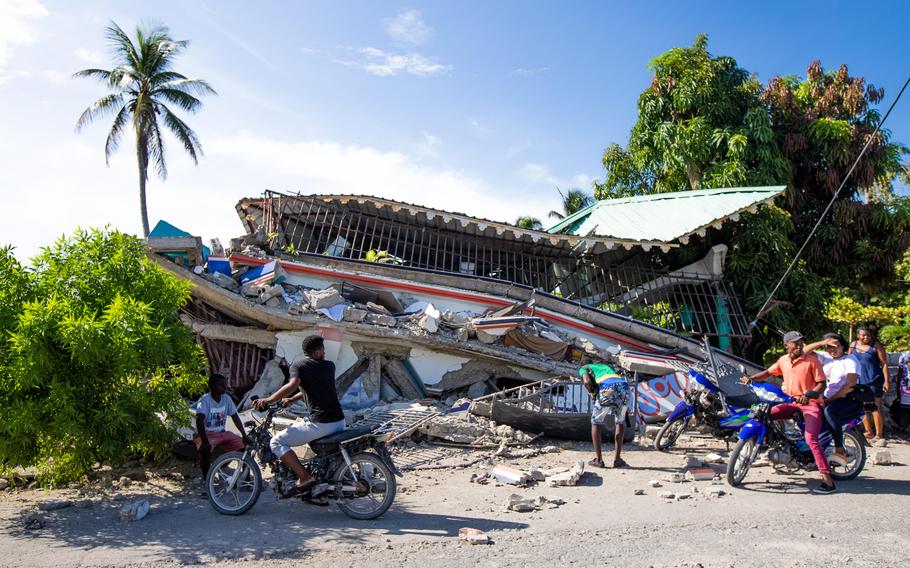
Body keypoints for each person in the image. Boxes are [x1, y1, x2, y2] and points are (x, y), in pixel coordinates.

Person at [253, 335, 345, 496]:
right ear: (316, 352)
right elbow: (314, 388)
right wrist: (291, 399)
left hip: (322, 423)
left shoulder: (299, 365)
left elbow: (293, 384)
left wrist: (268, 399)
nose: (324, 352)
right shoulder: (329, 366)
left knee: (276, 441)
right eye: (323, 349)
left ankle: (304, 478)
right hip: (338, 421)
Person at [744, 331, 834, 493]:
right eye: (795, 343)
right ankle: (778, 446)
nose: (799, 345)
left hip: (810, 404)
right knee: (764, 414)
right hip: (790, 401)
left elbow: (821, 384)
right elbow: (767, 374)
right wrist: (750, 379)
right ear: (787, 345)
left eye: (801, 342)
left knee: (810, 438)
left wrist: (808, 395)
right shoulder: (783, 361)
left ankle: (827, 480)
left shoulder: (812, 361)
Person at [804, 333, 862, 466]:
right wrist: (821, 343)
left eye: (835, 346)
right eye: (828, 347)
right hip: (828, 397)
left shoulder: (850, 360)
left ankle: (839, 449)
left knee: (829, 412)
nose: (832, 350)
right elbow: (803, 351)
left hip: (847, 398)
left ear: (842, 346)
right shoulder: (826, 358)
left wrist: (828, 400)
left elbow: (850, 385)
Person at [194, 374, 249, 487]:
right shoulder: (204, 400)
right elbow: (199, 421)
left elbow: (235, 417)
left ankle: (246, 480)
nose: (225, 387)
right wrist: (204, 441)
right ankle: (207, 480)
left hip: (222, 433)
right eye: (221, 385)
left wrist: (244, 435)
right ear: (212, 386)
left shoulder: (226, 399)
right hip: (206, 434)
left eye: (225, 384)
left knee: (245, 448)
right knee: (205, 451)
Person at [580, 361, 630, 468]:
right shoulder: (607, 366)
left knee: (596, 422)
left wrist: (592, 392)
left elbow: (586, 382)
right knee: (620, 422)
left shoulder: (584, 368)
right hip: (624, 387)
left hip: (608, 388)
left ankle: (598, 460)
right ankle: (617, 460)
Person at [849, 326, 890, 442]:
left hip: (874, 380)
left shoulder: (876, 346)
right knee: (862, 407)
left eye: (868, 335)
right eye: (863, 335)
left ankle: (879, 434)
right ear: (858, 336)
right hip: (859, 381)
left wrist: (886, 381)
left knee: (875, 407)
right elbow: (848, 360)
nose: (866, 337)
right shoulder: (853, 345)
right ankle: (869, 432)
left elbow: (884, 364)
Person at [890, 350, 910, 433]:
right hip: (905, 387)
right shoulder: (904, 355)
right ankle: (903, 426)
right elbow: (900, 372)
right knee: (904, 408)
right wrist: (898, 387)